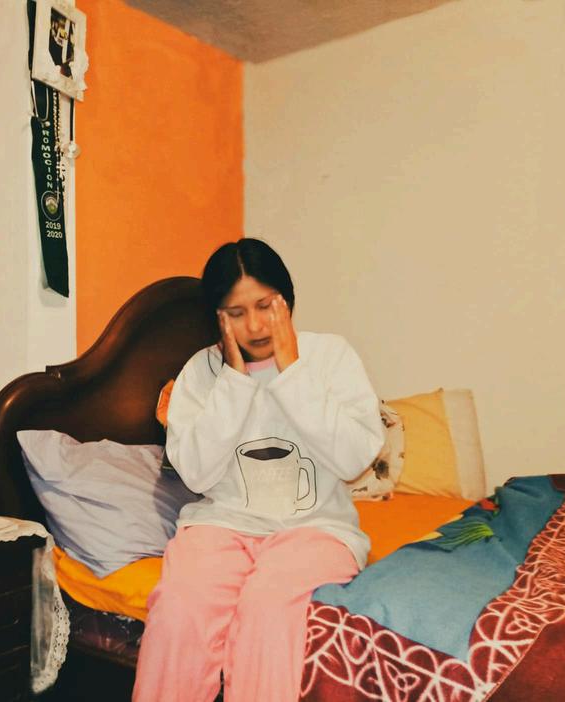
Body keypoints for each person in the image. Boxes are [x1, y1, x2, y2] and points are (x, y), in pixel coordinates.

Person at [133, 238, 384, 702]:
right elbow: (197, 476)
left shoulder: (330, 356)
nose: (254, 325)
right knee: (178, 611)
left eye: (265, 306)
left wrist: (292, 372)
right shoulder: (201, 372)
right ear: (217, 317)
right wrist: (234, 381)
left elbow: (353, 459)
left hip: (316, 529)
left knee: (268, 610)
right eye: (236, 312)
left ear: (286, 299)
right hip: (220, 526)